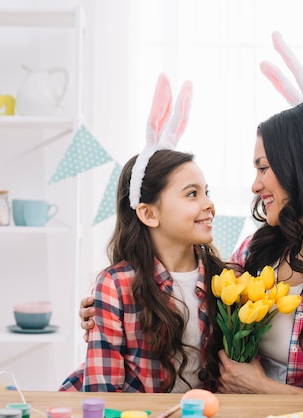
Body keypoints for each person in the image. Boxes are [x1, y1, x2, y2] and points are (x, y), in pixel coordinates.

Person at [80, 32, 303, 396]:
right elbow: (187, 302)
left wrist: (262, 388)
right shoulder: (255, 253)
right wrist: (115, 308)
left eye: (264, 168)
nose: (255, 186)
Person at [59, 74, 228, 393]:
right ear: (149, 213)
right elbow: (102, 391)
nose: (209, 205)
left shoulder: (226, 279)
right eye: (192, 194)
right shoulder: (116, 285)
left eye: (207, 192)